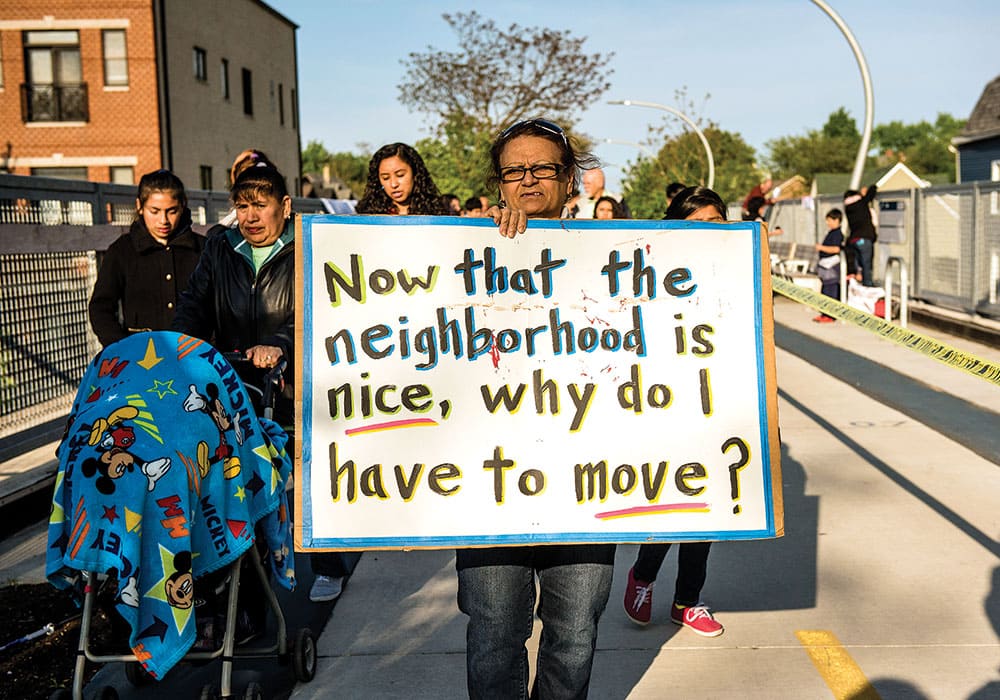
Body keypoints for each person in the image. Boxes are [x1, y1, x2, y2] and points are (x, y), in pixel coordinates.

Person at [460, 118, 615, 700]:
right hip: (486, 487)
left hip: (589, 484)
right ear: (498, 183)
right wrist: (466, 238)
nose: (528, 180)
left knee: (574, 635)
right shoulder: (463, 247)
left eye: (542, 168)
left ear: (569, 178)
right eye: (513, 171)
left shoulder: (612, 255)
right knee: (494, 635)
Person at [172, 163, 355, 605]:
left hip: (298, 382)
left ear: (284, 206)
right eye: (242, 206)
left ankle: (328, 565)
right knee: (239, 480)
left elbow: (325, 307)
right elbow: (194, 306)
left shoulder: (309, 244)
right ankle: (246, 590)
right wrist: (178, 347)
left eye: (260, 205)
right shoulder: (220, 247)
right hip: (234, 386)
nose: (250, 216)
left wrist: (280, 343)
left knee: (312, 473)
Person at [622, 184, 726, 638]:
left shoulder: (737, 269)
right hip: (666, 402)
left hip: (717, 402)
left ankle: (688, 600)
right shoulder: (651, 272)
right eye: (695, 223)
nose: (706, 232)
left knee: (707, 508)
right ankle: (643, 576)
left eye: (715, 223)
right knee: (669, 501)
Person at [88, 169, 204, 348]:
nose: (163, 220)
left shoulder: (204, 249)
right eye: (154, 211)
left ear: (183, 206)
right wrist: (121, 348)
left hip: (195, 357)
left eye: (171, 211)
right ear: (139, 206)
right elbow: (100, 308)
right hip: (140, 357)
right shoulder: (122, 251)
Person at [354, 142, 450, 216]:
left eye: (400, 175)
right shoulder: (367, 215)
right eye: (385, 178)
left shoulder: (437, 213)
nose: (393, 184)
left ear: (416, 174)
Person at [813, 208, 845, 323]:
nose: (828, 223)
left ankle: (830, 315)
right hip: (825, 266)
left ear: (837, 220)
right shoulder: (831, 233)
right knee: (825, 290)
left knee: (831, 290)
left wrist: (821, 248)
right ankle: (824, 313)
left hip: (831, 266)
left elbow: (836, 249)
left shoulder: (837, 234)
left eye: (830, 220)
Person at [844, 184, 878, 286]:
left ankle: (857, 285)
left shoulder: (848, 208)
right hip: (864, 238)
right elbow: (871, 192)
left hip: (854, 239)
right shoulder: (860, 203)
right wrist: (871, 188)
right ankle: (867, 286)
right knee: (867, 265)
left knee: (859, 265)